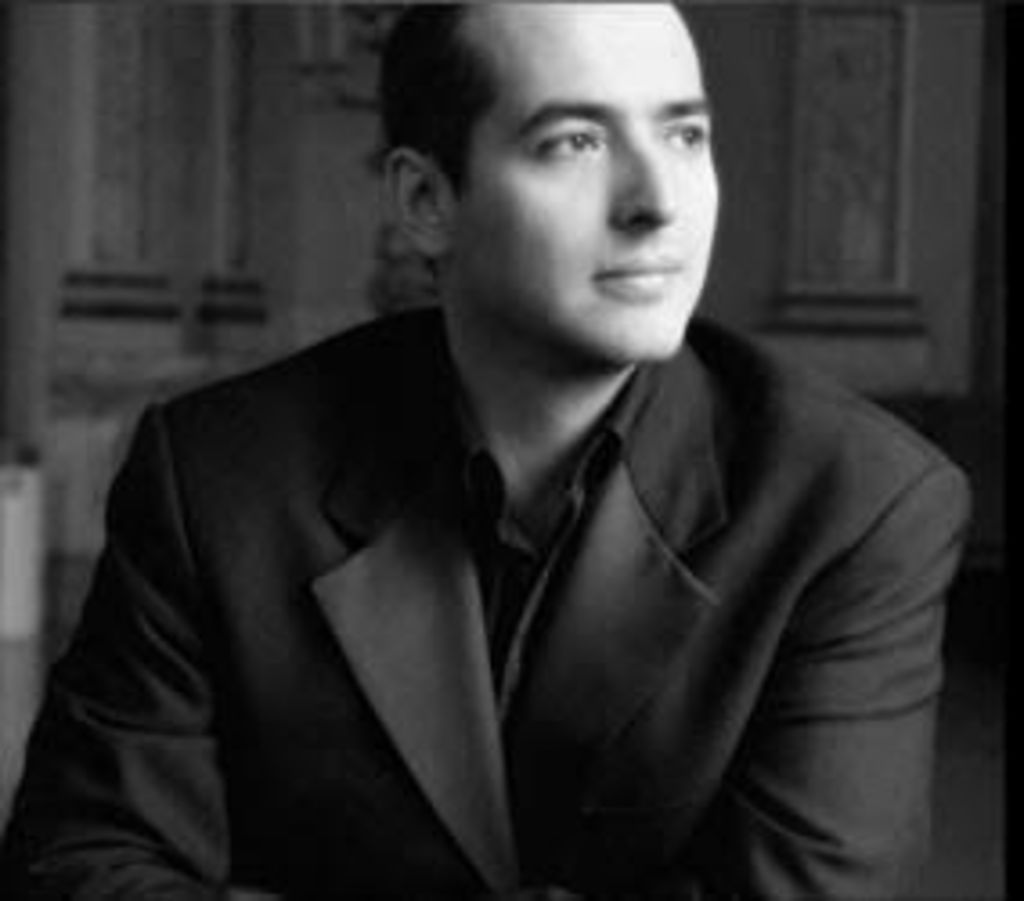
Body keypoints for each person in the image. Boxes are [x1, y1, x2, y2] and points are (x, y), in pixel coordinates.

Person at [0, 5, 970, 899]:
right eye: (576, 141)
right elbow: (78, 865)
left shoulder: (857, 500)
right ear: (425, 199)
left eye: (684, 135)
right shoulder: (215, 474)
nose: (657, 201)